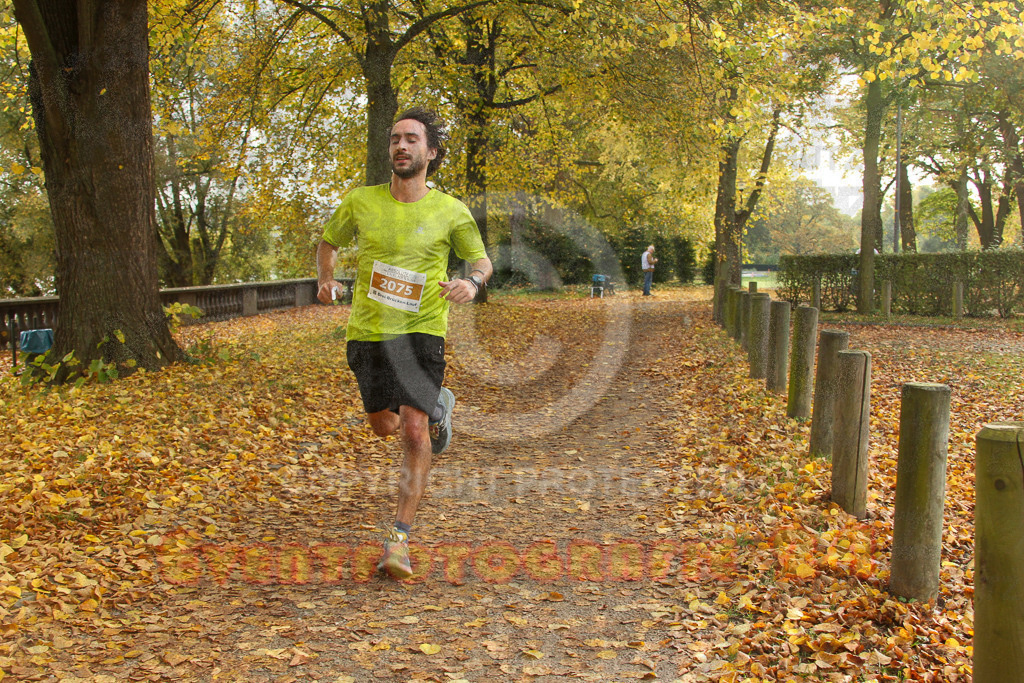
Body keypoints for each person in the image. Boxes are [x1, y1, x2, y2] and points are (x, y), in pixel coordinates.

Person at [316, 106, 492, 579]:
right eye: (395, 138)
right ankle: (439, 408)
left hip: (423, 329)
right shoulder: (361, 201)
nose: (401, 145)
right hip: (369, 331)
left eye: (412, 139)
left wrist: (472, 283)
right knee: (384, 426)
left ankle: (398, 540)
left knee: (413, 432)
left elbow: (482, 261)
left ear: (431, 153)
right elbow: (329, 243)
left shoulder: (451, 210)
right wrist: (326, 279)